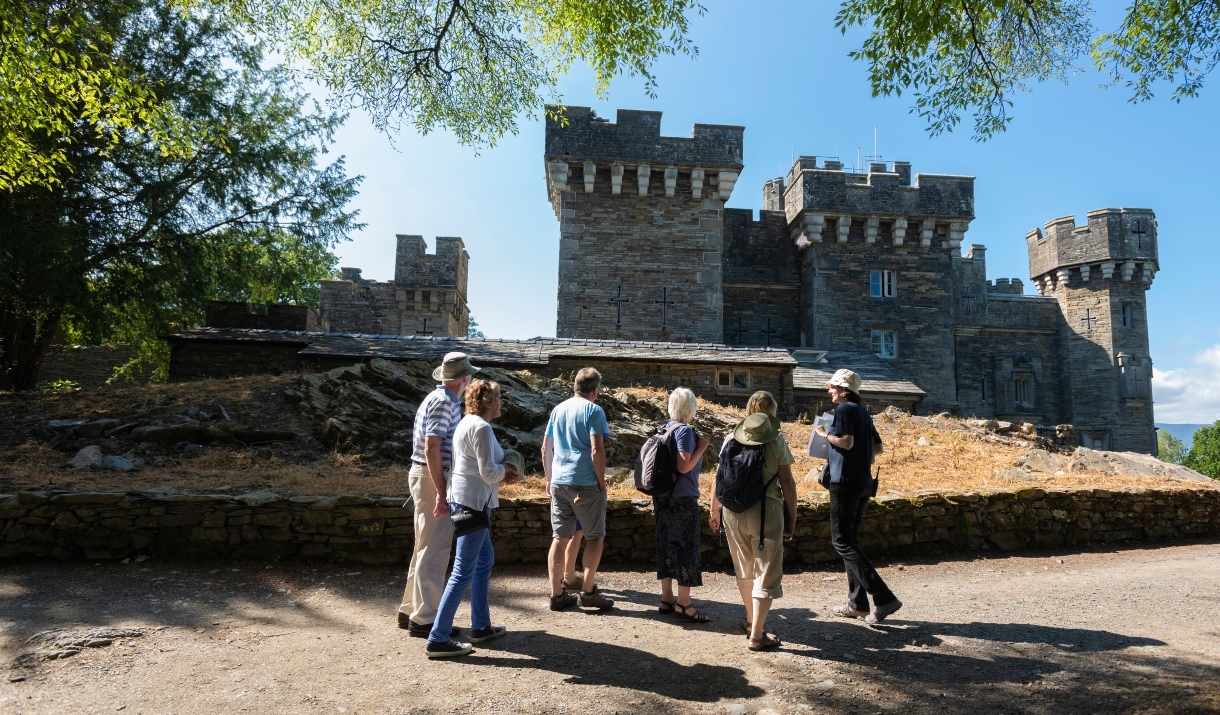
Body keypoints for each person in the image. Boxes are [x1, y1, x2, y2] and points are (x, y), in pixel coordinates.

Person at [425, 379, 517, 658]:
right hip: (473, 503)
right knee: (462, 570)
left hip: (468, 500)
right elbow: (489, 472)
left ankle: (481, 627)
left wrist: (502, 467)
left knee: (484, 561)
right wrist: (507, 471)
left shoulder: (468, 424)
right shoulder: (482, 427)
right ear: (489, 402)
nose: (502, 403)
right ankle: (438, 638)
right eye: (499, 399)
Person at [398, 352, 478, 638]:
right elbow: (433, 446)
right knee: (435, 549)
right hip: (433, 477)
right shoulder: (445, 402)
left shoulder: (438, 398)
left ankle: (411, 610)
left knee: (425, 546)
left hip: (424, 475)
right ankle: (425, 619)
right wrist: (442, 492)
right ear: (464, 378)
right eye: (470, 375)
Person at [710, 391, 797, 651]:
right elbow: (788, 483)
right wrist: (792, 516)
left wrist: (714, 510)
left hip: (732, 512)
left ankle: (750, 621)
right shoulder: (776, 442)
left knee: (744, 570)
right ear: (771, 413)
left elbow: (719, 479)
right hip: (765, 513)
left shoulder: (729, 438)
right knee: (766, 572)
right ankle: (757, 635)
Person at [813, 369, 901, 624]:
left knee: (841, 542)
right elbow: (878, 448)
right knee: (850, 540)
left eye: (832, 387)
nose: (829, 391)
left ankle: (883, 598)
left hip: (846, 482)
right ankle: (857, 603)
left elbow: (846, 442)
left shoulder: (843, 411)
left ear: (843, 389)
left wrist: (823, 436)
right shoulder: (864, 413)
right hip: (864, 481)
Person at [543, 367, 614, 610]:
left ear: (575, 387)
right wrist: (601, 481)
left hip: (560, 482)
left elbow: (546, 448)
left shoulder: (558, 409)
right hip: (585, 483)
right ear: (595, 390)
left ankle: (557, 595)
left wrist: (549, 479)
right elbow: (597, 450)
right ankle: (588, 591)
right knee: (595, 536)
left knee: (559, 538)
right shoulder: (594, 411)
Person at [654, 387, 712, 622]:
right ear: (691, 409)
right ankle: (685, 604)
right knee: (686, 547)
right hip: (683, 496)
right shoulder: (685, 431)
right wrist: (701, 448)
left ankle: (666, 598)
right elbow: (684, 466)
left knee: (665, 545)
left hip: (662, 496)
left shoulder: (663, 428)